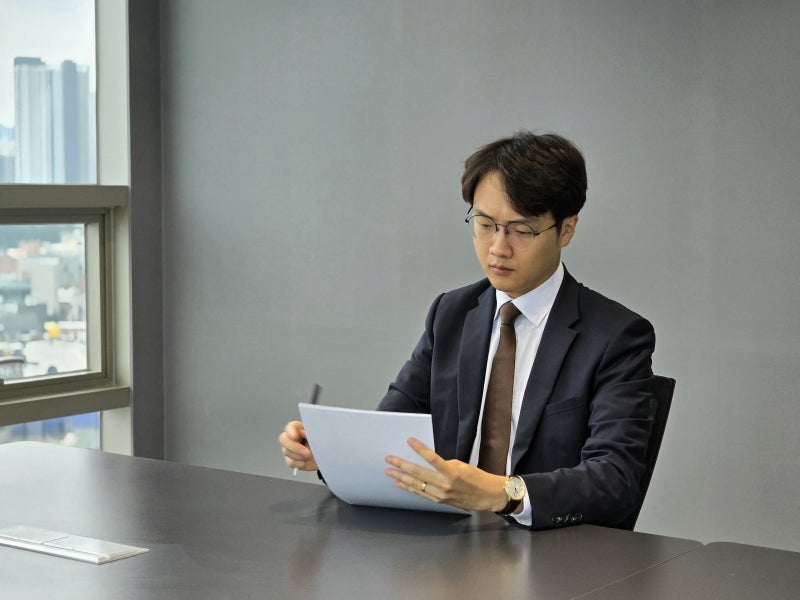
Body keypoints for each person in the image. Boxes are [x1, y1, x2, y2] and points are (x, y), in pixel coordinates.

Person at [279, 131, 655, 530]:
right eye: (485, 224)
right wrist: (332, 452)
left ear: (566, 229)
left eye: (521, 230)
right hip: (447, 542)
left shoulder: (616, 336)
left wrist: (503, 493)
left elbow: (616, 478)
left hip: (549, 549)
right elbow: (390, 433)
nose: (498, 247)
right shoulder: (451, 314)